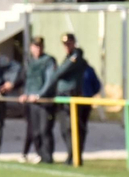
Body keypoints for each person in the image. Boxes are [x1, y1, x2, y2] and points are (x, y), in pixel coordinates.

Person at [33, 32, 92, 166]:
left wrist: (55, 74)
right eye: (65, 44)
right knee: (65, 129)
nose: (67, 46)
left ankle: (74, 157)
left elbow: (59, 73)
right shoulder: (68, 57)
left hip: (72, 96)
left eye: (69, 43)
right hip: (64, 97)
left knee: (73, 129)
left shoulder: (76, 57)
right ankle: (72, 156)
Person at [23, 36, 57, 163]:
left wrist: (39, 95)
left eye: (40, 46)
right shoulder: (30, 61)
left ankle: (48, 157)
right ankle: (40, 155)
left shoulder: (48, 61)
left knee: (45, 130)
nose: (38, 49)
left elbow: (49, 81)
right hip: (32, 102)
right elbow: (28, 80)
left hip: (44, 101)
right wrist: (26, 94)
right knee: (35, 131)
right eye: (35, 46)